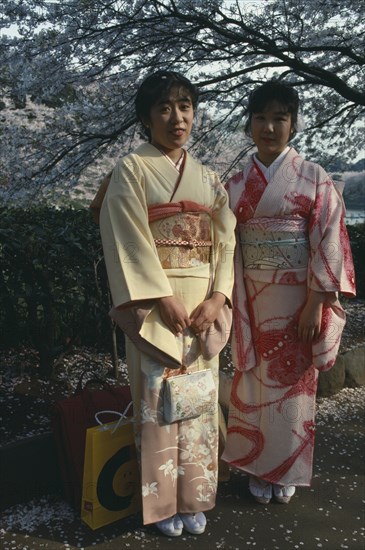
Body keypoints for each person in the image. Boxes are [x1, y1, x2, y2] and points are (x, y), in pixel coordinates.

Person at [99, 71, 236, 535]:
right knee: (157, 398)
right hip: (157, 302)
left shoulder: (210, 180)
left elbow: (226, 242)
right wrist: (162, 297)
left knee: (197, 401)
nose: (176, 118)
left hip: (202, 302)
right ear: (145, 117)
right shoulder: (132, 169)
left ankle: (195, 497)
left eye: (185, 106)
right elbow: (127, 236)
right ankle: (161, 504)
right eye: (163, 108)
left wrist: (219, 297)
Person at [222, 81, 356, 505]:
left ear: (293, 124)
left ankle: (288, 468)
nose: (269, 126)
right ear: (249, 125)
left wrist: (317, 303)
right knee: (254, 382)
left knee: (295, 386)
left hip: (299, 300)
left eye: (279, 117)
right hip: (252, 299)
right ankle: (257, 466)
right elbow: (226, 242)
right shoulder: (236, 182)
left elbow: (328, 240)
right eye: (260, 117)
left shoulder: (313, 178)